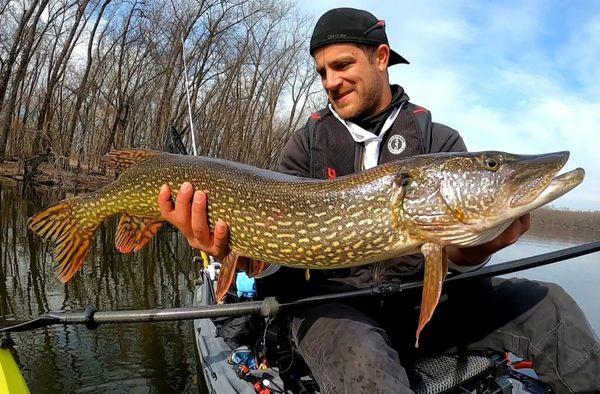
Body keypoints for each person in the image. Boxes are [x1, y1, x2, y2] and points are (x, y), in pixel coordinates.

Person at [158, 8, 600, 393]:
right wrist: (234, 246)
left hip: (422, 304)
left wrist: (474, 251)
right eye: (322, 71)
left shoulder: (438, 141)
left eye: (343, 64)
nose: (331, 81)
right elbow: (278, 259)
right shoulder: (305, 148)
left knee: (552, 306)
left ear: (381, 58)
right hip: (333, 309)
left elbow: (457, 252)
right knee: (359, 359)